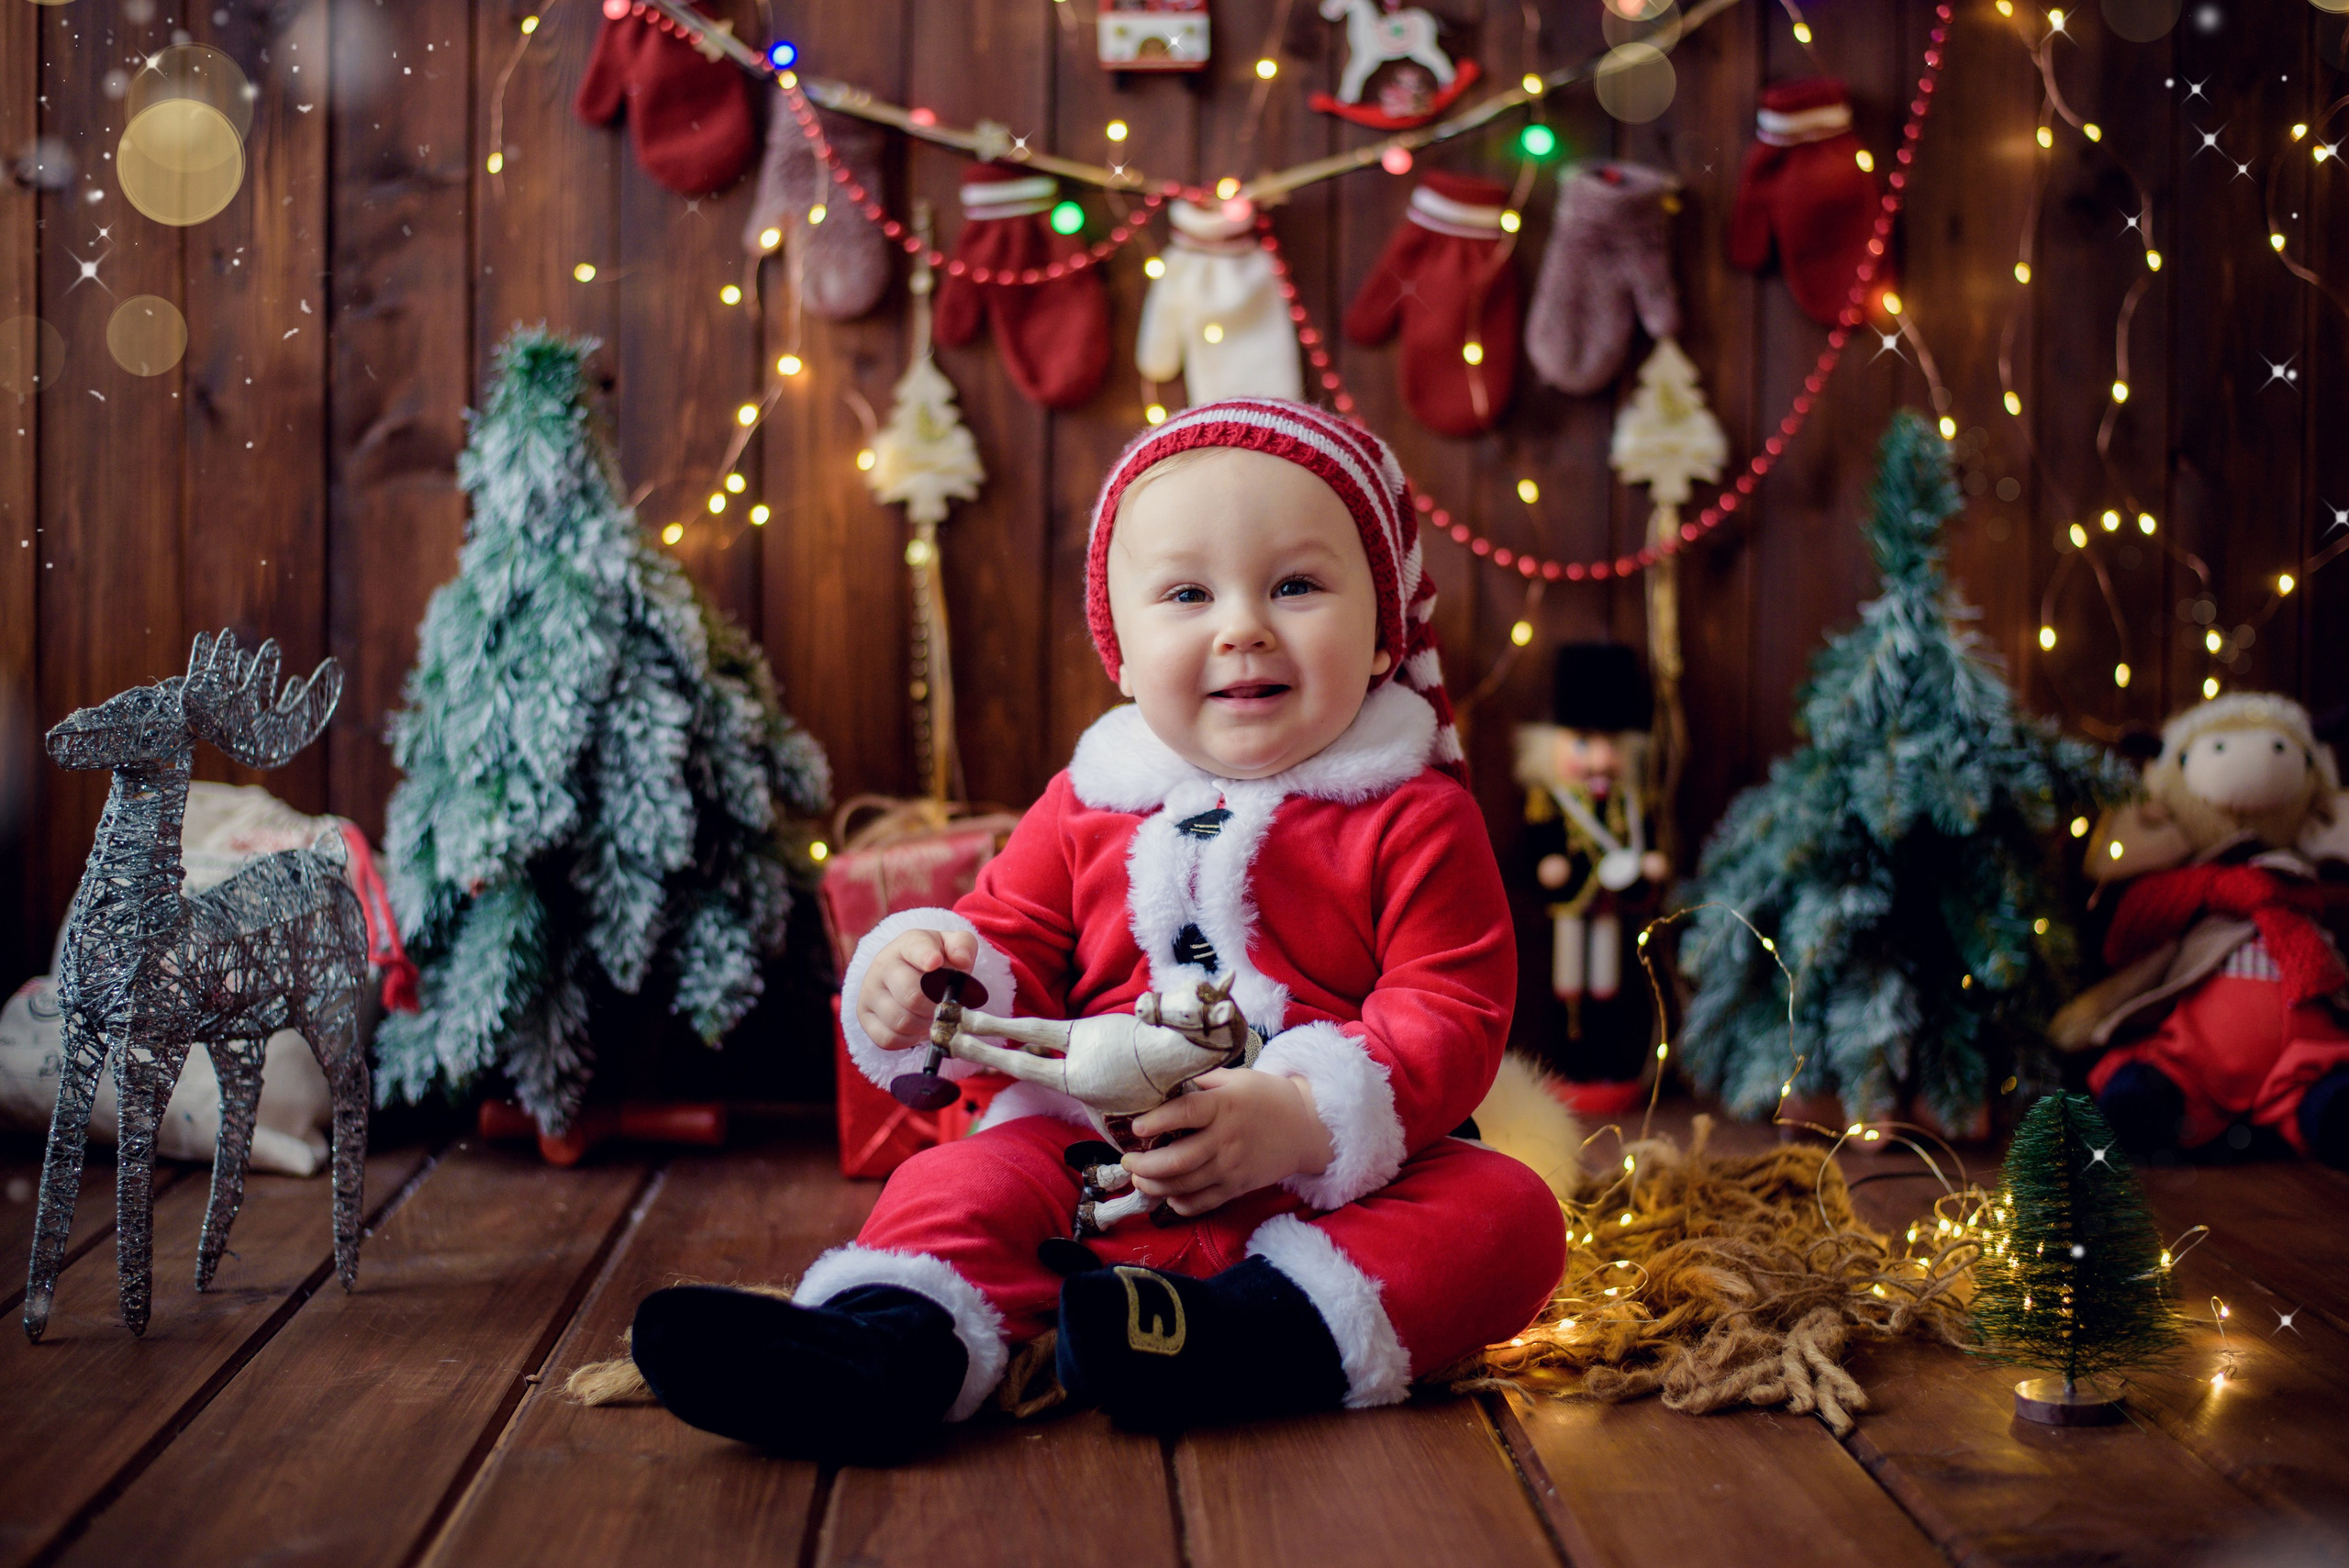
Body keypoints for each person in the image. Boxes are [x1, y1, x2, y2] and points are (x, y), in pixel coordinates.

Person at [628, 399, 1566, 1461]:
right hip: (1092, 1162)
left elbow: (1448, 1004)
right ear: (1120, 651)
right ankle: (884, 1345)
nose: (1242, 625)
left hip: (1325, 1186)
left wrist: (1304, 1118)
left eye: (1296, 585)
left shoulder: (1413, 813)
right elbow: (1008, 935)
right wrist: (934, 975)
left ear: (1385, 631)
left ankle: (1237, 1336)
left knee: (1506, 1220)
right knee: (951, 1183)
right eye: (1186, 594)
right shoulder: (1089, 799)